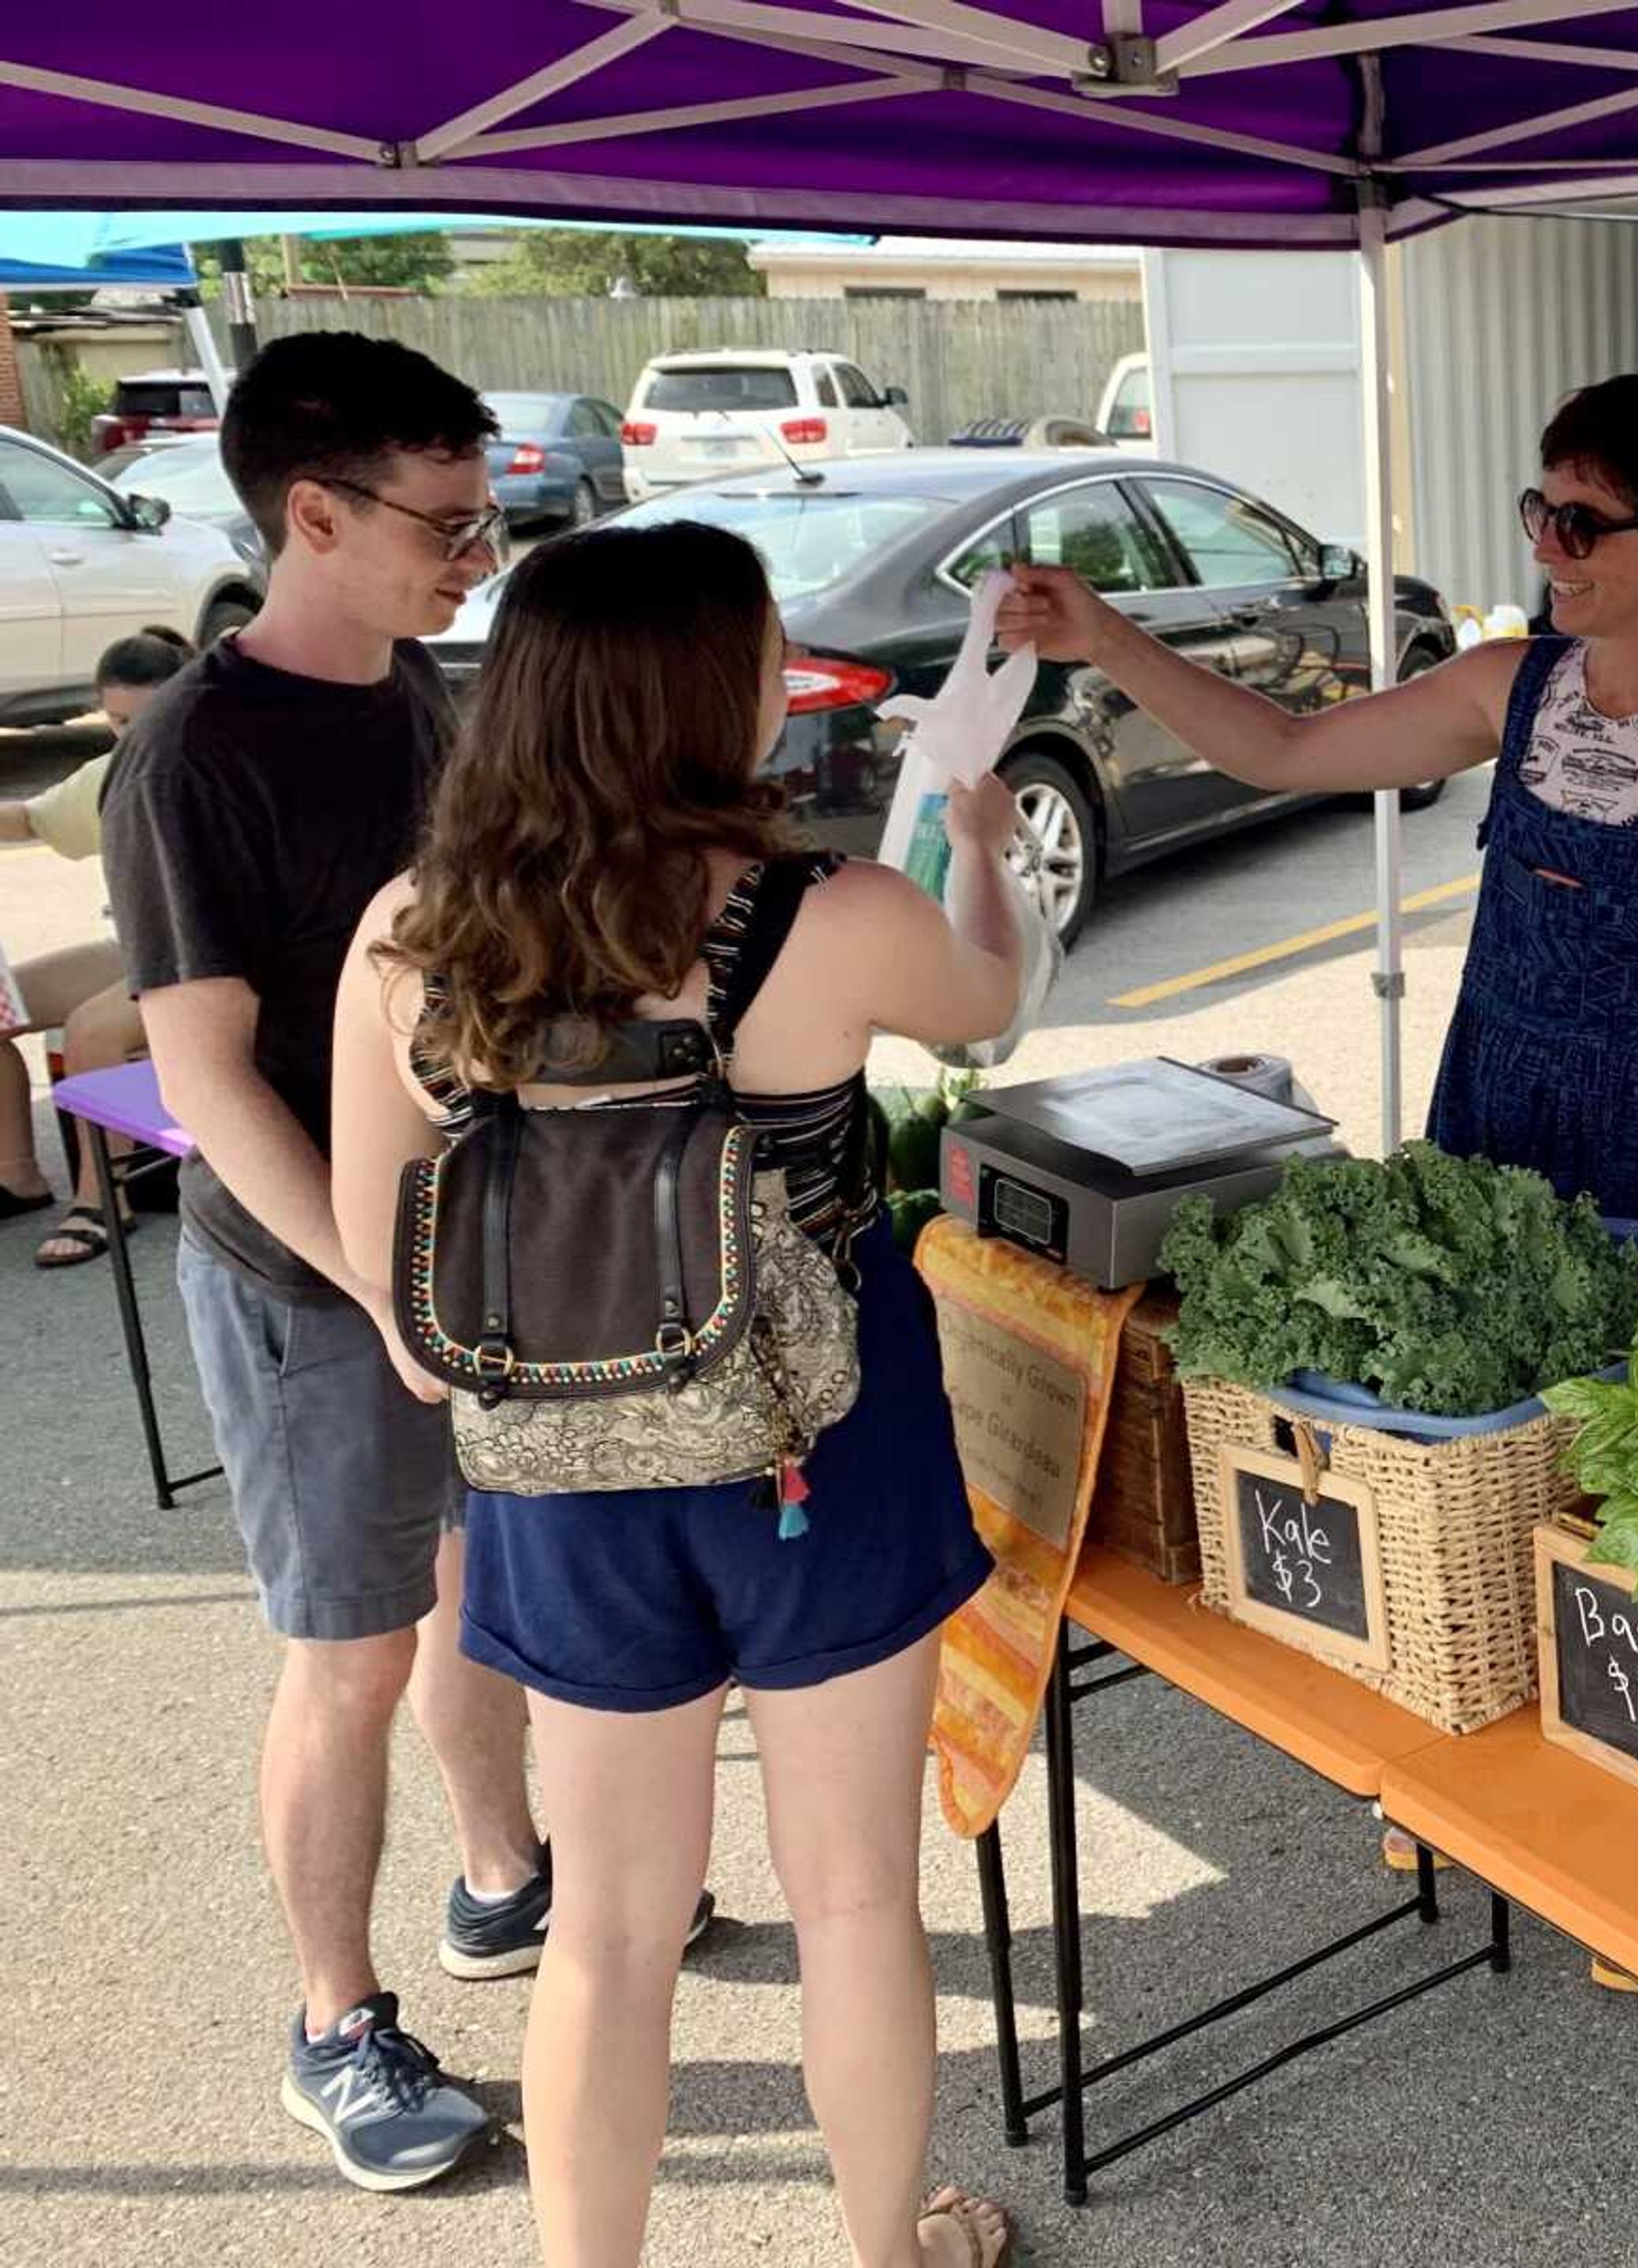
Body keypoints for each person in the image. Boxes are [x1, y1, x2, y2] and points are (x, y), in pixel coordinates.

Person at [328, 519, 1016, 2268]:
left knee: (610, 1931)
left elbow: (405, 1318)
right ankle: (889, 2248)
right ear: (709, 694)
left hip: (562, 1480)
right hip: (820, 1448)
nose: (789, 677)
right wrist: (989, 847)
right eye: (770, 651)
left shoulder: (410, 943)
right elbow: (994, 1007)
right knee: (855, 1894)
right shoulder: (830, 913)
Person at [97, 333, 546, 2192]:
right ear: (313, 512)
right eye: (447, 520)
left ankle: (508, 1876)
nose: (477, 551)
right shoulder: (192, 755)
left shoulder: (427, 693)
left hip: (462, 1244)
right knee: (349, 1648)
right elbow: (203, 1074)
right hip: (308, 1279)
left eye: (487, 511)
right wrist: (383, 1279)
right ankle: (333, 2018)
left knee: (478, 1591)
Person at [1000, 371, 1638, 1242]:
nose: (1548, 548)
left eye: (1581, 525)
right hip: (1489, 1138)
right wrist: (1103, 636)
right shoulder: (1508, 686)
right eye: (1540, 511)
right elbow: (1280, 751)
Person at [1, 626, 188, 1266]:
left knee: (92, 1030)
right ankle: (16, 1176)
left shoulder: (214, 763)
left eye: (147, 718)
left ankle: (102, 1202)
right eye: (117, 721)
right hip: (140, 950)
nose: (132, 736)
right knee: (2, 1002)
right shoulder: (109, 774)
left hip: (207, 960)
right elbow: (32, 818)